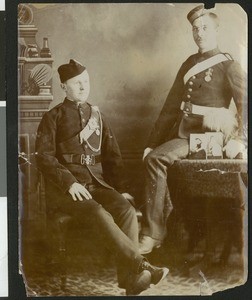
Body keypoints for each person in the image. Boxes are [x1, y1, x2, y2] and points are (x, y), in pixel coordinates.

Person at [35, 59, 168, 295]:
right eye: (77, 83)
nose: (83, 87)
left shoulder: (97, 115)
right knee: (98, 211)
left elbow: (112, 157)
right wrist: (70, 183)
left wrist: (121, 188)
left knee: (125, 209)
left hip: (97, 184)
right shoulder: (52, 117)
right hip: (67, 191)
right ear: (63, 86)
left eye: (86, 82)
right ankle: (142, 264)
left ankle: (131, 281)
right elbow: (44, 158)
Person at [139, 5, 247, 254]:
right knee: (153, 157)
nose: (199, 33)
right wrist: (151, 143)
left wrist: (241, 140)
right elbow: (169, 107)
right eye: (195, 29)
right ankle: (169, 233)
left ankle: (153, 234)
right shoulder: (189, 63)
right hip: (184, 131)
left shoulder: (228, 65)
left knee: (156, 162)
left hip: (209, 135)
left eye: (205, 27)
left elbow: (246, 106)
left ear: (216, 30)